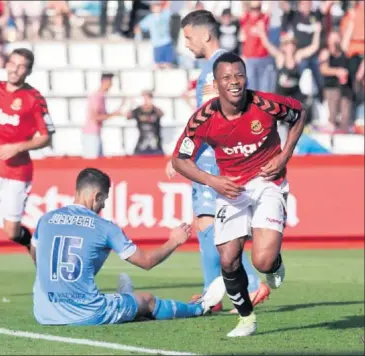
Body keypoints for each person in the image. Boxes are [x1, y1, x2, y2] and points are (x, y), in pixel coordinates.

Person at [172, 52, 307, 337]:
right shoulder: (204, 118)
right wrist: (213, 182)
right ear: (216, 83)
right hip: (230, 188)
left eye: (239, 75)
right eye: (227, 77)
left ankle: (274, 264)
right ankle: (247, 318)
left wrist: (284, 156)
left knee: (262, 262)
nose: (234, 82)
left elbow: (299, 113)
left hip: (268, 182)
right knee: (228, 259)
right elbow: (180, 160)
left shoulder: (265, 104)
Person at [166, 9, 270, 314]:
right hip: (211, 157)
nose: (186, 44)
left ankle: (250, 285)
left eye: (188, 37)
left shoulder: (217, 68)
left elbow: (212, 115)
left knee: (211, 226)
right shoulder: (223, 65)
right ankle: (212, 292)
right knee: (204, 224)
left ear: (205, 35)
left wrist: (184, 152)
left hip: (211, 159)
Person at [30, 167, 226, 325]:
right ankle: (200, 307)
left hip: (44, 312)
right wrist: (174, 240)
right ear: (96, 195)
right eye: (104, 200)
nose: (103, 206)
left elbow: (37, 257)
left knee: (99, 289)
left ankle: (123, 300)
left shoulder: (45, 219)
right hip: (86, 314)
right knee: (147, 300)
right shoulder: (104, 227)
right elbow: (146, 262)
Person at [0, 48, 55, 251]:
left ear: (28, 71)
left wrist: (18, 147)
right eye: (12, 64)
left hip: (16, 173)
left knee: (12, 232)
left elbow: (46, 136)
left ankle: (34, 246)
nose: (15, 70)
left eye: (21, 67)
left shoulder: (33, 99)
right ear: (6, 64)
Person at [82, 72, 125, 159]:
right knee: (93, 163)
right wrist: (115, 114)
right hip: (91, 134)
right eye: (110, 82)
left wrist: (120, 107)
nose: (111, 85)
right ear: (104, 82)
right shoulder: (96, 97)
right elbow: (95, 117)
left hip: (95, 133)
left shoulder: (100, 96)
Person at [127, 90, 164, 155]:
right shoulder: (138, 110)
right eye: (144, 98)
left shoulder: (155, 110)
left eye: (148, 98)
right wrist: (131, 105)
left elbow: (161, 114)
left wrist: (152, 106)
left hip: (156, 145)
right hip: (141, 145)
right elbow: (128, 116)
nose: (146, 100)